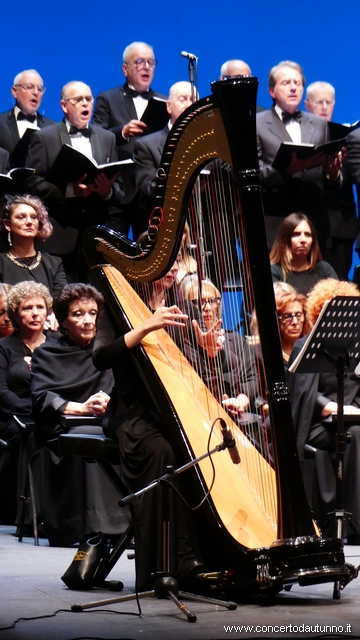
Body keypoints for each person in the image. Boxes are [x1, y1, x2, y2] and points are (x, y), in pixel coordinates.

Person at [92, 285, 205, 591]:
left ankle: (209, 558)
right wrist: (145, 326)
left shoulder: (181, 307)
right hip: (128, 412)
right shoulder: (114, 308)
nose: (169, 273)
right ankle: (170, 563)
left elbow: (189, 365)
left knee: (205, 451)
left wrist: (206, 350)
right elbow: (101, 357)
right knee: (162, 453)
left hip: (173, 412)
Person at [31, 283, 129, 546]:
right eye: (78, 314)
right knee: (85, 441)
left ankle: (126, 527)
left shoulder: (109, 351)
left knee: (135, 438)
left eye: (93, 313)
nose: (88, 321)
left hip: (106, 419)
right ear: (62, 321)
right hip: (61, 426)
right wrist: (82, 407)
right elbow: (42, 398)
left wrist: (110, 402)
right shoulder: (46, 353)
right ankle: (87, 527)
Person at [25, 81, 125, 278]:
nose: (85, 103)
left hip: (97, 236)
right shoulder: (44, 138)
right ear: (64, 106)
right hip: (60, 236)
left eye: (88, 99)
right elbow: (31, 184)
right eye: (78, 100)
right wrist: (70, 190)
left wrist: (107, 192)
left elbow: (120, 190)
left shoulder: (107, 138)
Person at [288, 278, 360, 536]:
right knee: (355, 436)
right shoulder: (304, 345)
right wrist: (331, 407)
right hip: (316, 423)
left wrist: (353, 410)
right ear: (320, 312)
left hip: (351, 417)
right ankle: (354, 521)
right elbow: (304, 393)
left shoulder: (355, 349)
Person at [256, 60, 342, 250]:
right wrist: (287, 170)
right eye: (286, 83)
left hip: (314, 224)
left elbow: (329, 184)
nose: (293, 88)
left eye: (298, 83)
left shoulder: (319, 124)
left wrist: (332, 174)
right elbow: (254, 175)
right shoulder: (257, 124)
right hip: (274, 223)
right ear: (272, 91)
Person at [0, 282, 53, 525]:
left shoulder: (57, 345)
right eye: (27, 308)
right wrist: (32, 410)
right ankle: (31, 514)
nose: (35, 313)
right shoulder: (4, 348)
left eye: (40, 307)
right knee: (32, 433)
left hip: (51, 411)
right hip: (12, 415)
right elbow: (1, 391)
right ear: (15, 314)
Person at [181, 275, 259, 415]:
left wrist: (241, 401)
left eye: (213, 301)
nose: (207, 307)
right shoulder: (183, 345)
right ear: (186, 307)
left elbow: (251, 377)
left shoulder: (235, 339)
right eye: (199, 302)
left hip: (240, 414)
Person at [304, 81, 358, 279]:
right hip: (308, 223)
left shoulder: (348, 137)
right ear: (306, 104)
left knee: (339, 283)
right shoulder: (300, 134)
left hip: (341, 226)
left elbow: (353, 177)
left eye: (329, 102)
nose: (324, 107)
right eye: (319, 102)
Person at [133, 81, 195, 238]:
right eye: (183, 99)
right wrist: (179, 185)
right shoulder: (146, 145)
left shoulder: (209, 142)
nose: (189, 105)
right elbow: (146, 190)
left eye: (193, 100)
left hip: (202, 228)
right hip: (166, 229)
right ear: (169, 106)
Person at [93, 42, 166, 158]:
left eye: (151, 62)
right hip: (122, 174)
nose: (147, 67)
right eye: (140, 61)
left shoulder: (164, 102)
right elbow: (96, 139)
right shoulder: (108, 98)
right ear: (125, 69)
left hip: (154, 173)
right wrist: (123, 132)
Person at [0, 194, 67, 294]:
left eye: (34, 217)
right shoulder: (1, 263)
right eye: (21, 217)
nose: (29, 222)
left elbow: (62, 303)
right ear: (7, 224)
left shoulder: (54, 264)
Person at [270, 212, 338, 295]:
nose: (303, 240)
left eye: (307, 235)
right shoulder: (274, 270)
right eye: (296, 234)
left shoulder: (324, 268)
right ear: (284, 240)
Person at [0, 70, 55, 167]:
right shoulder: (1, 122)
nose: (35, 92)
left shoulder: (52, 127)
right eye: (29, 87)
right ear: (15, 91)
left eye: (40, 89)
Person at [273, 282, 311, 365]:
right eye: (287, 316)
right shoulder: (263, 354)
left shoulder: (311, 348)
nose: (295, 322)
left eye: (298, 315)